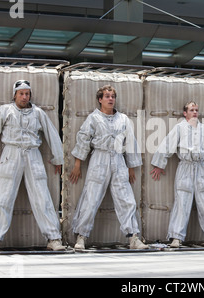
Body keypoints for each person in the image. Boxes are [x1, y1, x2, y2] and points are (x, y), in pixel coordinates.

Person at [0, 79, 65, 251]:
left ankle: (54, 238)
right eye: (21, 94)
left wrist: (58, 158)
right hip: (11, 153)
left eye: (27, 94)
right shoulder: (5, 111)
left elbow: (51, 134)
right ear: (15, 95)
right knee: (3, 196)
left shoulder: (38, 113)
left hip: (33, 154)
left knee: (42, 197)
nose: (24, 97)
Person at [69, 85, 148, 250]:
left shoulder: (123, 119)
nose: (110, 99)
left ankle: (133, 237)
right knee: (91, 198)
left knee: (126, 199)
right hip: (99, 158)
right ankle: (81, 236)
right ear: (100, 99)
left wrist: (131, 167)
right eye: (106, 96)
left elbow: (130, 142)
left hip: (119, 159)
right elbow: (83, 139)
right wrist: (77, 164)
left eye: (112, 96)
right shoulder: (93, 118)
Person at [151, 101, 204, 248]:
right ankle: (176, 237)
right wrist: (159, 164)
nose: (195, 112)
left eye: (197, 110)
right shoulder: (180, 128)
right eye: (192, 110)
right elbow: (168, 144)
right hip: (185, 168)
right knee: (182, 202)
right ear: (185, 113)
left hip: (200, 168)